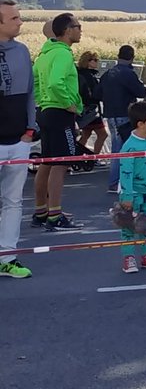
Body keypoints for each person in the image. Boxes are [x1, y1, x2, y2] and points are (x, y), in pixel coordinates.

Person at [32, 13, 84, 231]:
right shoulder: (62, 54)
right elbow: (55, 83)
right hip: (59, 111)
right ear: (66, 30)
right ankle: (54, 214)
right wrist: (68, 103)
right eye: (78, 26)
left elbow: (36, 81)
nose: (81, 30)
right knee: (60, 163)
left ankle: (41, 210)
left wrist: (41, 102)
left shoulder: (44, 55)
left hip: (45, 109)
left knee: (47, 161)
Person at [0, 0, 37, 278]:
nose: (20, 22)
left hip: (18, 140)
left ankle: (8, 257)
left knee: (14, 202)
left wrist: (29, 131)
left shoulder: (22, 51)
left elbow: (29, 93)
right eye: (14, 18)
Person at [115, 101, 146, 274]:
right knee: (128, 226)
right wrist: (127, 195)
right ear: (141, 124)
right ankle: (128, 258)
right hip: (132, 192)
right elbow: (125, 173)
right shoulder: (129, 147)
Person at [100, 44, 146, 193]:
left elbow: (96, 93)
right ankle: (117, 181)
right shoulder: (128, 74)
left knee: (117, 148)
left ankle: (117, 181)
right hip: (124, 114)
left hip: (110, 114)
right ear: (132, 57)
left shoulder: (108, 74)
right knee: (125, 149)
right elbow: (141, 92)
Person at [75, 50, 107, 156]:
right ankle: (94, 157)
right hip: (91, 109)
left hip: (85, 108)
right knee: (103, 134)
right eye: (95, 60)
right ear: (88, 62)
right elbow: (92, 93)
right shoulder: (88, 76)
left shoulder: (80, 74)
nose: (97, 62)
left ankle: (76, 156)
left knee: (86, 134)